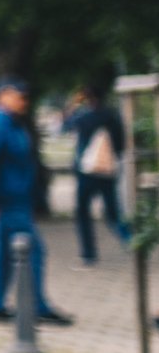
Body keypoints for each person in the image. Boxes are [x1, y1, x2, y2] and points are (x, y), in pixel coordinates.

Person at [0, 77, 73, 326]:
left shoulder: (14, 124)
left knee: (6, 255)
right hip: (8, 201)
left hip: (19, 200)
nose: (24, 101)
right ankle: (37, 305)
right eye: (19, 96)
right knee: (34, 252)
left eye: (25, 97)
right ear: (3, 96)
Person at [65, 86, 129, 265]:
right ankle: (130, 239)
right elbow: (121, 145)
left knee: (83, 213)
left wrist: (73, 104)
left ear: (88, 98)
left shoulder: (84, 117)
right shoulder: (113, 116)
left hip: (86, 173)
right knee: (113, 213)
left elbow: (67, 124)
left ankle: (88, 253)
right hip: (108, 173)